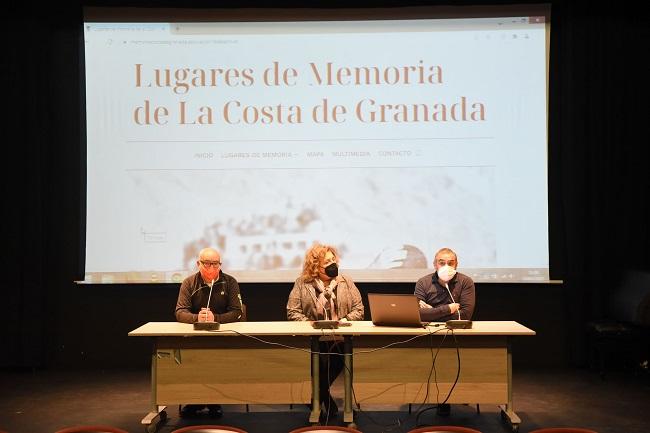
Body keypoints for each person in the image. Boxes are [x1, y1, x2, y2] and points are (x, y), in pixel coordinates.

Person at [286, 243, 364, 418]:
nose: (333, 264)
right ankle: (325, 402)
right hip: (314, 337)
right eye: (327, 262)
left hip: (341, 336)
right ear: (315, 267)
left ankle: (316, 399)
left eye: (333, 259)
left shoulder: (346, 281)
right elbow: (293, 311)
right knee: (319, 361)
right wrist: (311, 325)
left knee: (335, 361)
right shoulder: (302, 283)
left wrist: (345, 321)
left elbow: (359, 309)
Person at [175, 247, 243, 418]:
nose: (212, 268)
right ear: (198, 264)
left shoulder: (230, 282)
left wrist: (216, 318)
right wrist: (197, 317)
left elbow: (237, 312)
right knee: (194, 361)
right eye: (207, 264)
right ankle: (195, 400)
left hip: (223, 335)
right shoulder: (189, 283)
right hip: (194, 336)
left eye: (216, 264)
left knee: (217, 361)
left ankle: (215, 400)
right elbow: (180, 311)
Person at [414, 247, 476, 416]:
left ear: (457, 264)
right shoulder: (423, 282)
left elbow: (465, 314)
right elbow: (416, 314)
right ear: (435, 264)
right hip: (429, 337)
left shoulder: (466, 282)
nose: (446, 266)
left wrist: (431, 312)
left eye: (451, 262)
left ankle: (457, 394)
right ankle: (434, 396)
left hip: (459, 337)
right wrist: (448, 309)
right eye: (442, 262)